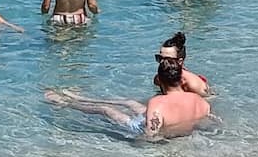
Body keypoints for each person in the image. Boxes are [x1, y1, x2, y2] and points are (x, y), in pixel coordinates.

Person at [44, 55, 211, 140]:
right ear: (181, 79)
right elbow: (209, 118)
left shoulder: (158, 102)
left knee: (106, 110)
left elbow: (150, 134)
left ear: (159, 80)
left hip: (145, 126)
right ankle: (79, 97)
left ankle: (65, 103)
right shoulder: (199, 101)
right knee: (130, 103)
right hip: (168, 122)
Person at [154, 32, 210, 97]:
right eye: (159, 58)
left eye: (168, 59)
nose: (162, 62)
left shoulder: (193, 84)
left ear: (180, 61)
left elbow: (208, 103)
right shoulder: (159, 78)